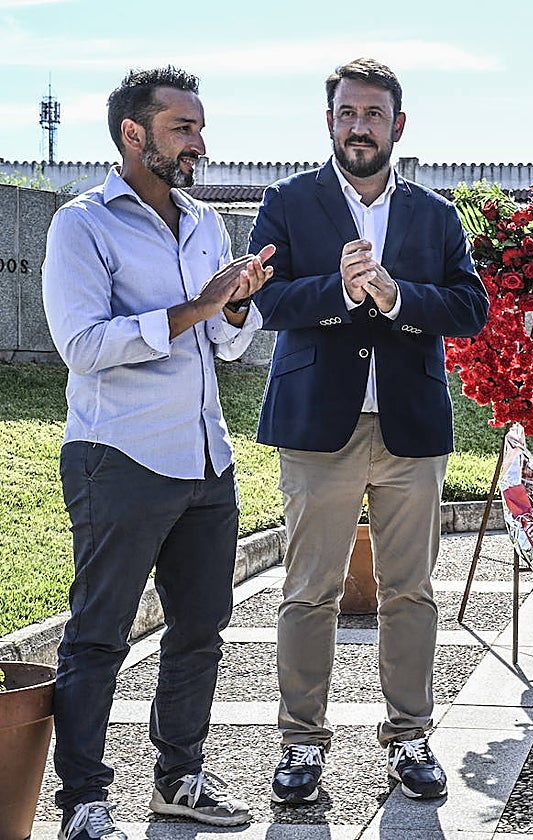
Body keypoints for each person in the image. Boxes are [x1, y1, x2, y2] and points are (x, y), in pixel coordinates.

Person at [41, 66, 274, 840]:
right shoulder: (83, 224)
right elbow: (81, 346)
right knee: (100, 633)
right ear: (132, 134)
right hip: (120, 457)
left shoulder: (206, 224)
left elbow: (224, 346)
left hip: (207, 457)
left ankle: (179, 778)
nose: (199, 143)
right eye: (183, 127)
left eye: (200, 127)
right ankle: (83, 802)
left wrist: (233, 306)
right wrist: (197, 305)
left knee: (201, 630)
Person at [248, 57, 488, 805]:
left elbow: (470, 309)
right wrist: (341, 292)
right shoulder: (287, 201)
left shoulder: (436, 214)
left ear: (398, 125)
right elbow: (268, 302)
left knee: (410, 591)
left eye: (374, 115)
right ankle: (300, 745)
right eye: (347, 113)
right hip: (319, 426)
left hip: (411, 430)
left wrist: (395, 297)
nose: (360, 126)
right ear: (330, 121)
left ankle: (410, 736)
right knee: (309, 590)